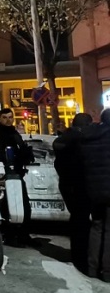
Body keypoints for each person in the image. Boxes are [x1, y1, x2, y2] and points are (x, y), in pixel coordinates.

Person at [0, 108, 37, 247]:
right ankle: (9, 236)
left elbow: (21, 151)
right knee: (6, 206)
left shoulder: (15, 134)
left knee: (24, 205)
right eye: (4, 117)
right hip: (2, 176)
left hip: (17, 174)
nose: (8, 120)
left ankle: (24, 235)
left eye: (10, 117)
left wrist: (26, 155)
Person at [53, 112, 94, 273]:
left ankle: (77, 253)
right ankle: (82, 255)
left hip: (66, 183)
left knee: (77, 218)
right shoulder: (81, 140)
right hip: (80, 183)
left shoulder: (62, 140)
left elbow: (58, 164)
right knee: (83, 220)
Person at [79, 108, 110, 282]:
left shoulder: (91, 137)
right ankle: (107, 272)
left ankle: (92, 268)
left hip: (94, 189)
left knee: (97, 227)